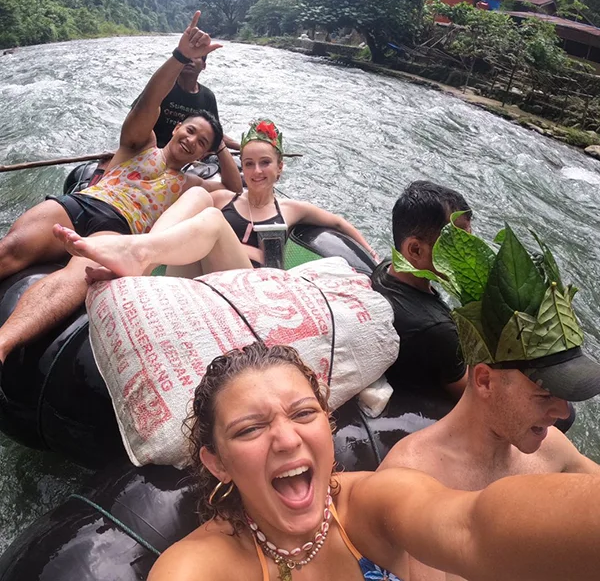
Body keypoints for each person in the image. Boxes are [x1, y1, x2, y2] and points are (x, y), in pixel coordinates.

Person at [147, 341, 600, 581]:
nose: (286, 438)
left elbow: (474, 529)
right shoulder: (198, 567)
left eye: (304, 414)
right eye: (249, 429)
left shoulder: (374, 504)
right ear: (218, 463)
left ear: (328, 425)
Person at [0, 12, 242, 374]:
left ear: (205, 153)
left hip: (116, 232)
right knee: (12, 249)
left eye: (201, 142)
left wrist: (219, 145)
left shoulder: (193, 186)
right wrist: (178, 58)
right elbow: (148, 103)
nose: (191, 140)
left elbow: (234, 188)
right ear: (176, 128)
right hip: (84, 203)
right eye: (189, 131)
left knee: (73, 280)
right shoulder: (139, 144)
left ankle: (2, 344)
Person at [379, 221, 600, 581]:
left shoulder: (553, 451)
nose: (562, 413)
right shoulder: (412, 475)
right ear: (484, 380)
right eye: (545, 394)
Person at [52, 119, 378, 278]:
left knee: (211, 219)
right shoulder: (223, 195)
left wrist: (371, 256)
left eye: (265, 163)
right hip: (205, 278)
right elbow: (217, 192)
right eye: (248, 163)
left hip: (249, 285)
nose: (256, 171)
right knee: (197, 196)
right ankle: (140, 263)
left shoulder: (291, 209)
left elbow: (336, 221)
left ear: (280, 168)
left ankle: (136, 255)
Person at [371, 181, 471, 401]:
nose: (469, 254)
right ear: (415, 249)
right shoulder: (438, 329)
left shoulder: (385, 269)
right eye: (458, 244)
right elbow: (472, 397)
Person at [147, 53, 240, 151]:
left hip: (188, 154)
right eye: (186, 56)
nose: (190, 59)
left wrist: (242, 147)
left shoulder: (207, 97)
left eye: (196, 56)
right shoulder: (163, 88)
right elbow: (139, 113)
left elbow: (215, 134)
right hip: (153, 150)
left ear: (204, 66)